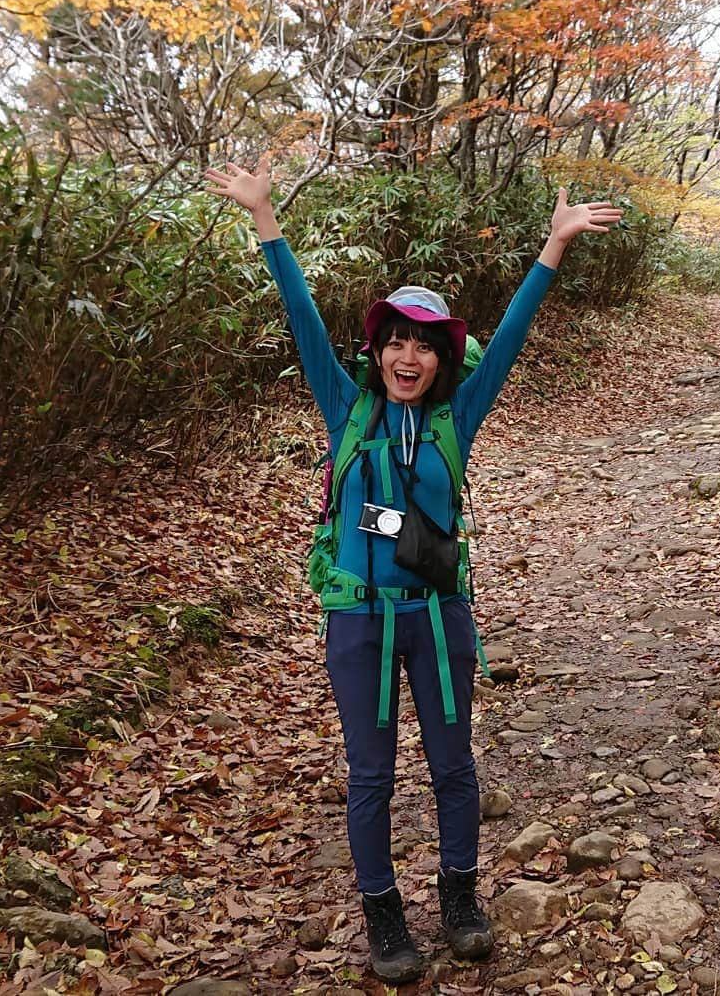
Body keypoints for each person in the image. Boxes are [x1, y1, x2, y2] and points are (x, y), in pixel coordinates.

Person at [204, 156, 622, 982]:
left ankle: (460, 897)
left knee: (453, 764)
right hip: (357, 618)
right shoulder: (344, 408)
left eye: (423, 346)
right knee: (370, 773)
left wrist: (553, 248)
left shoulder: (456, 418)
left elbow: (508, 341)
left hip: (439, 615)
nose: (407, 356)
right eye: (395, 340)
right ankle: (383, 912)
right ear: (378, 350)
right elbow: (300, 319)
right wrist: (266, 222)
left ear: (440, 361)